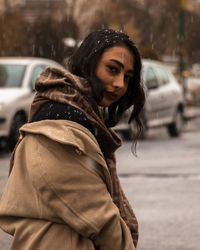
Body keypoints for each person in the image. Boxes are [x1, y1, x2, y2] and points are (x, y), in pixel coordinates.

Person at [0, 29, 145, 250]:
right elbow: (99, 217)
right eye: (112, 69)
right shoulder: (61, 124)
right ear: (89, 63)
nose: (119, 84)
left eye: (127, 77)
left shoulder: (80, 116)